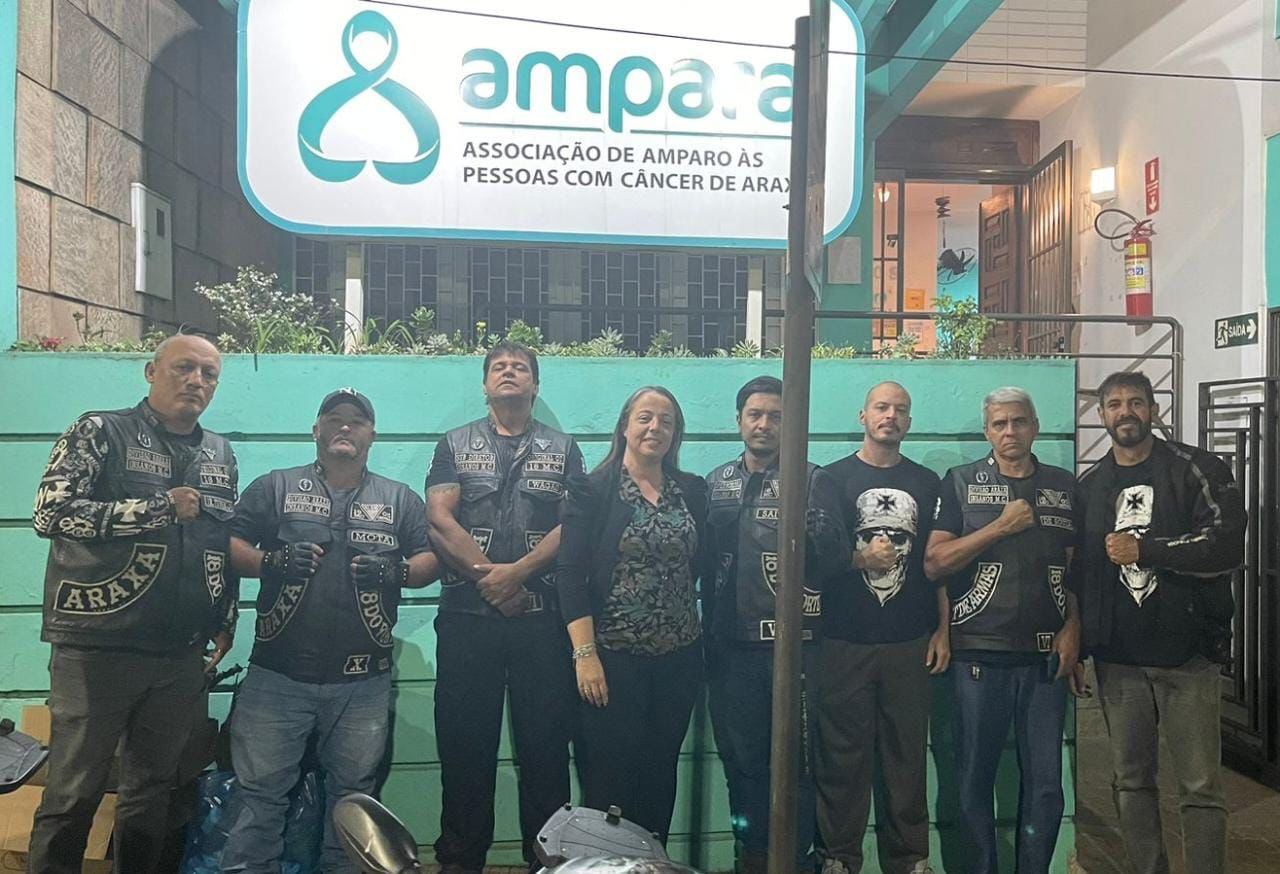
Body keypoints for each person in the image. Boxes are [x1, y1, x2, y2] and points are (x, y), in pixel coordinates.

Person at [27, 334, 238, 874]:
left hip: (179, 654)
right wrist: (155, 509)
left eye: (209, 373)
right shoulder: (99, 430)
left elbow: (218, 542)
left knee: (152, 795)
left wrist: (225, 614)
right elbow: (50, 514)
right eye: (184, 367)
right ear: (150, 370)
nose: (196, 381)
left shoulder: (219, 452)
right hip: (97, 647)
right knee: (74, 792)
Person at [220, 388, 438, 873]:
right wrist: (271, 562)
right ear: (316, 430)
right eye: (334, 418)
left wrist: (396, 572)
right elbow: (228, 544)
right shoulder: (275, 486)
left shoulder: (400, 499)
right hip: (277, 677)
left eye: (356, 421)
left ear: (372, 435)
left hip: (363, 683)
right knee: (259, 801)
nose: (345, 427)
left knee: (354, 805)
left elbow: (430, 559)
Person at [1073, 371, 1243, 874]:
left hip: (1187, 656)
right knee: (1130, 782)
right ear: (1101, 415)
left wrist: (1147, 549)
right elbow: (1080, 573)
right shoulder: (1091, 487)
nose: (1125, 412)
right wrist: (1080, 645)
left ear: (1153, 408)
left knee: (1200, 787)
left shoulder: (1197, 469)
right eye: (1115, 404)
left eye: (1136, 402)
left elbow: (1226, 546)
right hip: (1119, 660)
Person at [426, 341, 583, 874]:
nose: (509, 372)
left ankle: (548, 865)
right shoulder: (454, 444)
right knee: (464, 750)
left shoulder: (564, 448)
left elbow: (572, 525)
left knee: (545, 754)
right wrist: (491, 580)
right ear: (485, 384)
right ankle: (460, 863)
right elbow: (439, 519)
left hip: (542, 625)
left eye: (520, 367)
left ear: (535, 385)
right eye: (499, 367)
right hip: (467, 622)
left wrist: (517, 574)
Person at [924, 386, 1080, 874]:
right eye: (999, 424)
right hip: (977, 654)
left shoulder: (1063, 486)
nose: (1010, 431)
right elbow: (934, 563)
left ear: (1035, 427)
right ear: (987, 431)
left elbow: (1076, 569)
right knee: (974, 779)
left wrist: (1074, 628)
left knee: (1047, 785)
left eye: (1019, 421)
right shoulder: (959, 482)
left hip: (1045, 659)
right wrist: (998, 528)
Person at [703, 376, 847, 874]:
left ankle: (797, 861)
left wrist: (819, 533)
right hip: (730, 651)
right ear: (739, 421)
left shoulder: (813, 480)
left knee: (798, 764)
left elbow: (836, 561)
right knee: (741, 763)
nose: (764, 424)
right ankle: (751, 856)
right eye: (755, 414)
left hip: (798, 651)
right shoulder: (716, 482)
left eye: (776, 416)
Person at [557, 386, 710, 845]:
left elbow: (699, 566)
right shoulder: (592, 490)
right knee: (608, 779)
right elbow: (570, 575)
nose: (655, 428)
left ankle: (652, 862)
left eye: (666, 421)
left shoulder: (691, 491)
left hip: (678, 660)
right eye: (645, 417)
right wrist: (585, 655)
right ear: (624, 426)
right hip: (612, 660)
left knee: (660, 772)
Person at [817, 381, 946, 874]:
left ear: (909, 421)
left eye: (900, 409)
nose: (890, 415)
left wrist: (943, 629)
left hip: (910, 643)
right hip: (842, 641)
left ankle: (909, 861)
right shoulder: (830, 479)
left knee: (906, 761)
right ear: (863, 415)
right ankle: (838, 859)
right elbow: (818, 557)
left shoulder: (928, 483)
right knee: (840, 761)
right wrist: (860, 558)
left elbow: (935, 563)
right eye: (882, 407)